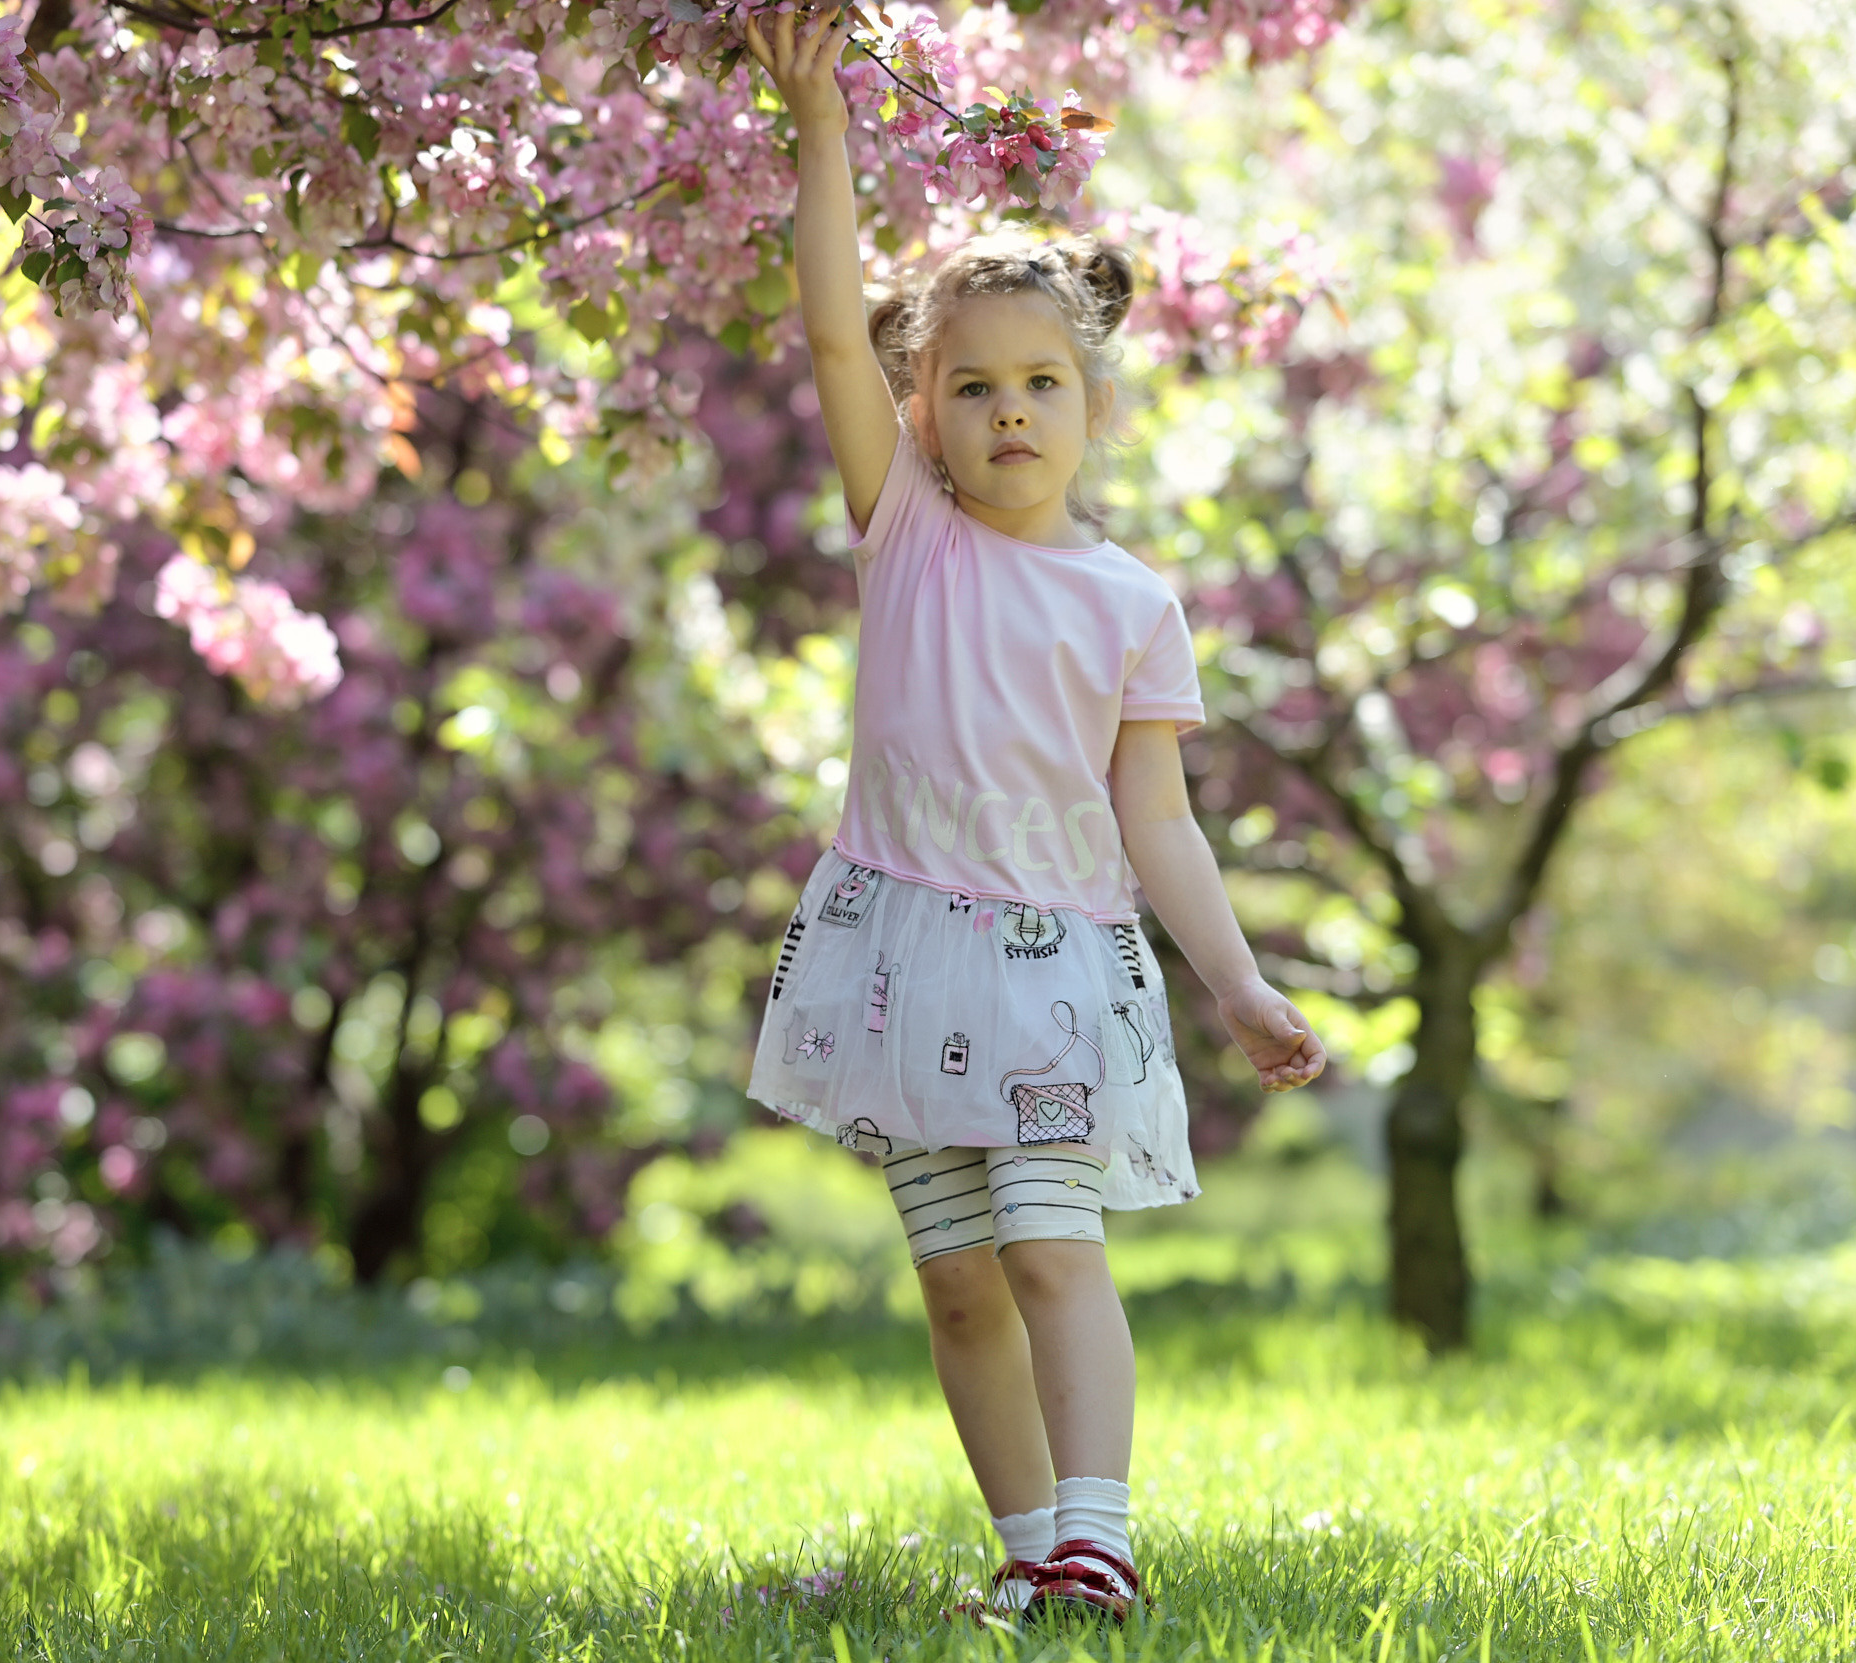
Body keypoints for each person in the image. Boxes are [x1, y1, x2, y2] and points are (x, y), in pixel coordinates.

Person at [738, 4, 1330, 1625]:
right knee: (954, 1284)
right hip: (898, 953)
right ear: (921, 411)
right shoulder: (906, 534)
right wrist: (822, 130)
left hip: (1054, 970)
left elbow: (1162, 824)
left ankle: (1100, 1537)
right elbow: (829, 335)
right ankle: (1020, 1547)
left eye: (1043, 384)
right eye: (972, 385)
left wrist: (1237, 983)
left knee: (1055, 1250)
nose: (1009, 411)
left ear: (1093, 407)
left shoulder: (1132, 601)